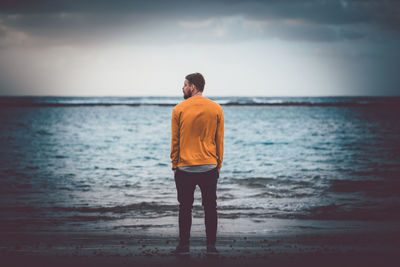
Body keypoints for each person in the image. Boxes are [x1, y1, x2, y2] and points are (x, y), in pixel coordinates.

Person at [170, 72, 224, 256]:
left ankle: (184, 246)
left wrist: (174, 165)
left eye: (185, 85)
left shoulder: (179, 109)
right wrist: (219, 164)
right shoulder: (216, 108)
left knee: (185, 207)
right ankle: (211, 247)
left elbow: (175, 141)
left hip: (185, 167)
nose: (182, 88)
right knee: (210, 207)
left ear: (193, 86)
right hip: (209, 166)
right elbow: (219, 140)